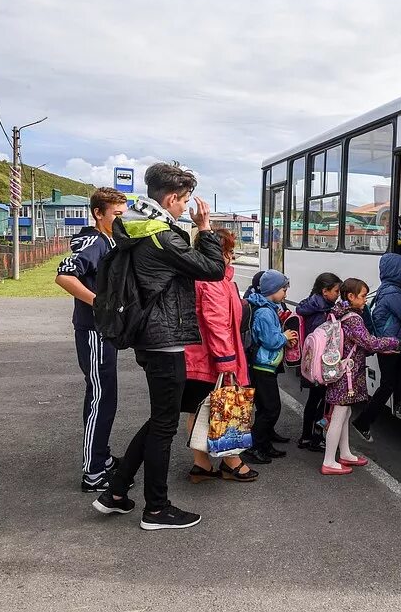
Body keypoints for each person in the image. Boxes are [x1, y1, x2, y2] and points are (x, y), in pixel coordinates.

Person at [92, 162, 225, 531]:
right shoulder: (162, 235)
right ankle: (157, 509)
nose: (185, 207)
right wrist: (204, 228)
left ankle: (116, 493)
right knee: (164, 425)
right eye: (183, 202)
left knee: (160, 419)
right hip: (164, 339)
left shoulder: (136, 227)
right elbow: (213, 269)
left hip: (150, 337)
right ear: (170, 198)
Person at [55, 187, 128, 492]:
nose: (121, 220)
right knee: (101, 398)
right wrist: (99, 302)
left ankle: (101, 456)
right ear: (99, 213)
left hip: (105, 331)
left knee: (105, 396)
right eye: (117, 215)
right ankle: (93, 472)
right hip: (94, 332)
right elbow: (64, 275)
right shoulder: (95, 242)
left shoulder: (110, 240)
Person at [180, 227, 258, 483]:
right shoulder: (213, 280)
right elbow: (217, 323)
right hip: (213, 359)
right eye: (228, 252)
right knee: (226, 406)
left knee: (200, 408)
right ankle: (230, 460)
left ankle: (202, 464)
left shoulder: (202, 277)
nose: (231, 258)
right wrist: (227, 361)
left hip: (198, 356)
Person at [321, 278, 400, 475]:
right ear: (351, 296)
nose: (365, 300)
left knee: (345, 413)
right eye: (363, 296)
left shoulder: (339, 312)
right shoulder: (354, 318)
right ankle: (329, 460)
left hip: (342, 369)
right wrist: (393, 342)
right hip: (346, 374)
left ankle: (345, 453)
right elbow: (369, 343)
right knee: (339, 415)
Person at [351, 254, 401, 442]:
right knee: (388, 385)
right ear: (397, 271)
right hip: (389, 344)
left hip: (391, 343)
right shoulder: (393, 293)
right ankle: (363, 422)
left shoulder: (387, 288)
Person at [243, 269, 298, 465]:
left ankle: (263, 444)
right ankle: (254, 447)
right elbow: (270, 340)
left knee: (266, 408)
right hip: (263, 366)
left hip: (265, 366)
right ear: (273, 290)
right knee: (271, 409)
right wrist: (285, 337)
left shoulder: (266, 307)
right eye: (283, 289)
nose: (286, 294)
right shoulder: (265, 312)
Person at [295, 272, 342, 451]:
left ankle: (306, 437)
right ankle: (316, 437)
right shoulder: (323, 311)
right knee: (323, 401)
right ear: (325, 291)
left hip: (310, 363)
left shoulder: (313, 304)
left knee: (313, 400)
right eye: (336, 291)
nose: (338, 295)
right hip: (321, 364)